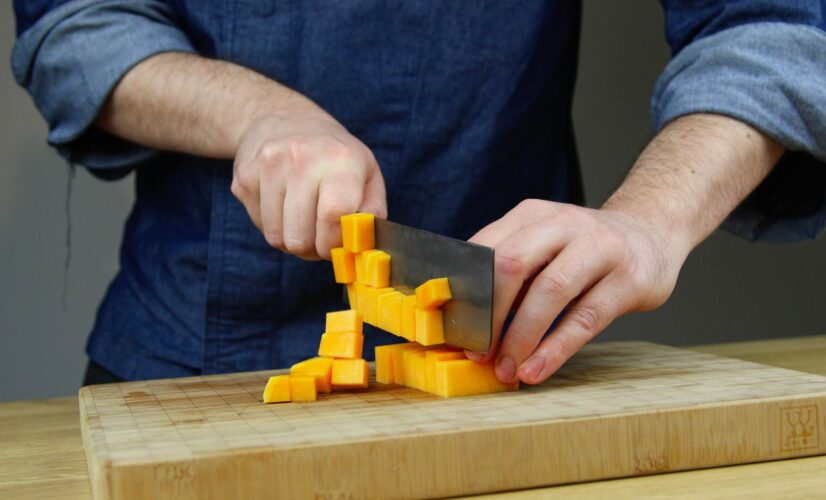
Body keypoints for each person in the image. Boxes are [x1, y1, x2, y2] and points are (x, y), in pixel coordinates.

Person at [12, 1, 826, 387]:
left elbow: (769, 24)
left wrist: (653, 217)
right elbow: (76, 25)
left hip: (503, 366)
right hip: (179, 361)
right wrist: (257, 113)